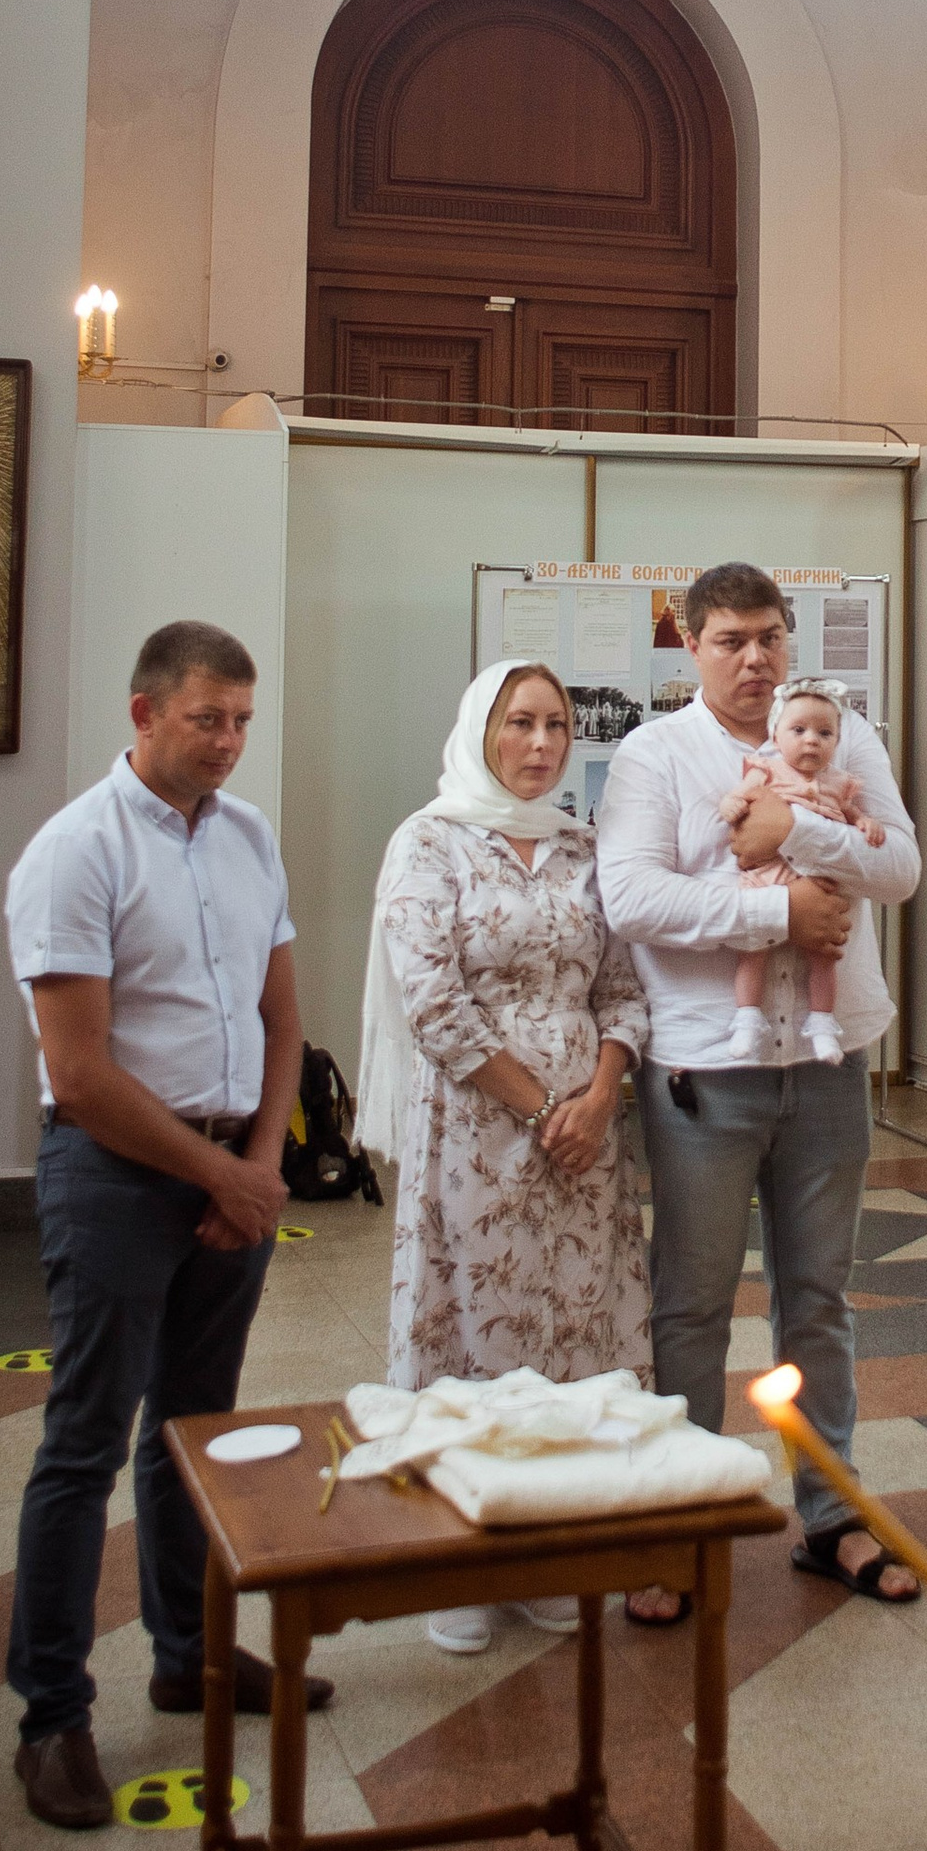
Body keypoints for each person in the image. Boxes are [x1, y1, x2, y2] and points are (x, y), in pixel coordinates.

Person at [1, 619, 326, 1832]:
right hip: (118, 1173)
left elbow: (285, 1021)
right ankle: (51, 1714)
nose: (230, 742)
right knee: (85, 1440)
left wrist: (256, 1162)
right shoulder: (73, 852)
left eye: (243, 719)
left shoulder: (247, 837)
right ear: (143, 714)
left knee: (197, 1432)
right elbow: (79, 1075)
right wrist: (219, 1174)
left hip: (226, 1164)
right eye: (208, 719)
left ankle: (188, 1651)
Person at [594, 561, 922, 1616]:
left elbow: (902, 866)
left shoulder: (839, 731)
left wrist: (802, 838)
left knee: (818, 1300)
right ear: (688, 644)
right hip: (705, 1066)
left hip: (826, 1065)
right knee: (690, 1307)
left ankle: (829, 1516)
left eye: (770, 636)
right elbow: (633, 896)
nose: (755, 658)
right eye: (731, 638)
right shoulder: (654, 752)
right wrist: (774, 917)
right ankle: (679, 1524)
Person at [355, 659, 649, 1656]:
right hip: (478, 1132)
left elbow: (622, 985)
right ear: (480, 728)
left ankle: (545, 1547)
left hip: (586, 1141)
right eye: (518, 723)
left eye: (555, 726)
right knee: (475, 1332)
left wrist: (599, 1096)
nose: (538, 743)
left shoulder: (584, 846)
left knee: (573, 1329)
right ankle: (461, 1560)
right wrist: (542, 1108)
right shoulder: (428, 843)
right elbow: (432, 1000)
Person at [717, 678, 886, 1062]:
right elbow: (740, 796)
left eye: (825, 733)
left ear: (837, 741)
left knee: (825, 957)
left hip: (821, 885)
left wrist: (865, 824)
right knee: (753, 951)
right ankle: (746, 1019)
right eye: (799, 730)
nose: (812, 740)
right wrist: (730, 804)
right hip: (768, 878)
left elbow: (852, 814)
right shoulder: (767, 770)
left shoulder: (838, 782)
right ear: (776, 735)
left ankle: (823, 1025)